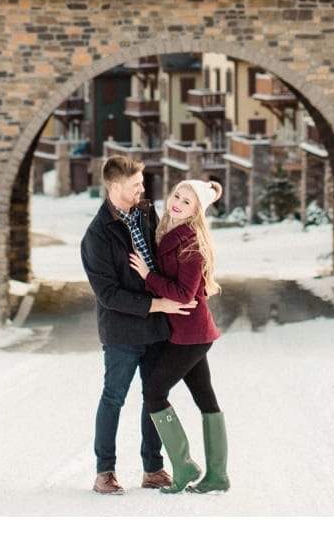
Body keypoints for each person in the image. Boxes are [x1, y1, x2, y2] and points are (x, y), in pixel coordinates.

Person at [80, 155, 197, 496]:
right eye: (136, 185)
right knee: (113, 397)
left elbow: (164, 254)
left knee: (154, 396)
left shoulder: (145, 213)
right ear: (115, 187)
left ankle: (153, 468)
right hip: (122, 332)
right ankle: (105, 472)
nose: (142, 189)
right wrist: (157, 303)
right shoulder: (97, 236)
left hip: (156, 329)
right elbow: (108, 294)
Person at [129, 178, 230, 494]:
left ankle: (184, 466)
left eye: (186, 202)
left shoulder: (190, 244)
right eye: (176, 195)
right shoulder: (169, 233)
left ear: (195, 211)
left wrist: (149, 277)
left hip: (192, 333)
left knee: (154, 392)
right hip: (189, 332)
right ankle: (218, 476)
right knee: (206, 399)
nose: (177, 203)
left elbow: (185, 293)